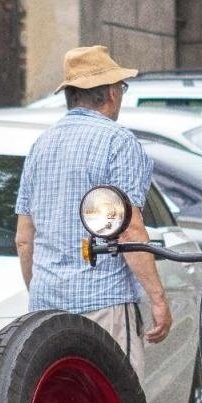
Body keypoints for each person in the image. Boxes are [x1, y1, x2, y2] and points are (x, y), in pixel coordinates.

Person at [15, 45, 172, 377]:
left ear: (71, 96)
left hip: (46, 309)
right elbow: (129, 228)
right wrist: (157, 298)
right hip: (104, 300)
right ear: (112, 93)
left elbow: (24, 239)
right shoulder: (118, 141)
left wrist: (41, 289)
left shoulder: (40, 145)